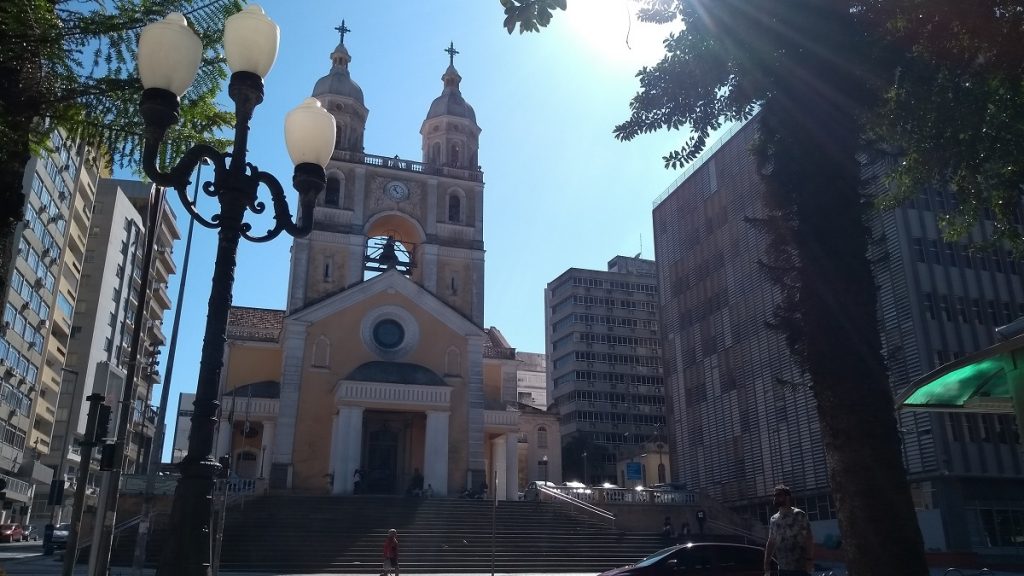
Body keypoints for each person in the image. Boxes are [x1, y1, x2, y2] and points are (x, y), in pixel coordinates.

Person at [764, 484, 813, 576]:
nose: (775, 498)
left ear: (787, 497)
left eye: (779, 495)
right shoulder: (773, 519)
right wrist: (766, 562)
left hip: (800, 568)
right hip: (783, 569)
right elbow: (771, 541)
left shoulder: (798, 514)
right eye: (774, 496)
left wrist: (809, 559)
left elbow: (808, 538)